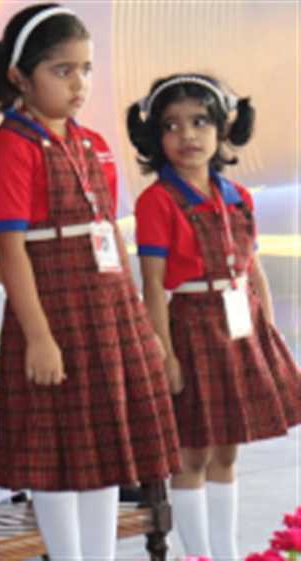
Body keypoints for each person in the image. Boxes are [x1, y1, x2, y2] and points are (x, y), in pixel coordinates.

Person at [0, 4, 181, 559]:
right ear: (21, 77)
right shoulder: (10, 150)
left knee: (105, 450)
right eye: (61, 70)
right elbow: (12, 252)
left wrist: (139, 320)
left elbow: (109, 233)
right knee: (59, 452)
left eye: (86, 69)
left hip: (107, 309)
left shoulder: (92, 144)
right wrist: (39, 337)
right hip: (54, 311)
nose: (79, 83)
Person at [129, 73, 300, 560]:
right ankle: (197, 555)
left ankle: (224, 552)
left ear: (223, 127)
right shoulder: (157, 201)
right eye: (172, 125)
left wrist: (267, 334)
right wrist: (164, 354)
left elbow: (253, 270)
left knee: (227, 449)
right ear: (155, 135)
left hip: (242, 328)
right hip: (191, 329)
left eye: (200, 122)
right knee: (193, 451)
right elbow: (153, 287)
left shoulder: (239, 195)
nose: (187, 135)